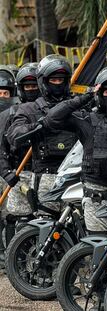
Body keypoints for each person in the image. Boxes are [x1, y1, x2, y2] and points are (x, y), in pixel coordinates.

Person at [42, 65, 107, 235]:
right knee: (97, 248)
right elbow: (52, 118)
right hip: (95, 197)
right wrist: (85, 97)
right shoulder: (88, 120)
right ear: (99, 94)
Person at [7, 55, 82, 212]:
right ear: (43, 81)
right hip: (46, 178)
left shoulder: (78, 106)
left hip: (78, 178)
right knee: (45, 226)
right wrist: (40, 125)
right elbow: (14, 135)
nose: (58, 84)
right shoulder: (29, 109)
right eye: (53, 80)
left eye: (61, 79)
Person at [0, 63, 40, 263]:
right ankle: (15, 263)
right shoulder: (10, 114)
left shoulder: (51, 111)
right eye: (28, 86)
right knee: (16, 219)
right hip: (20, 175)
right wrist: (7, 172)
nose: (32, 90)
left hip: (45, 176)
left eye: (35, 85)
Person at [0, 66, 19, 266]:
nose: (2, 97)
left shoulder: (15, 113)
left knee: (10, 215)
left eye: (6, 93)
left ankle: (11, 253)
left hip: (8, 170)